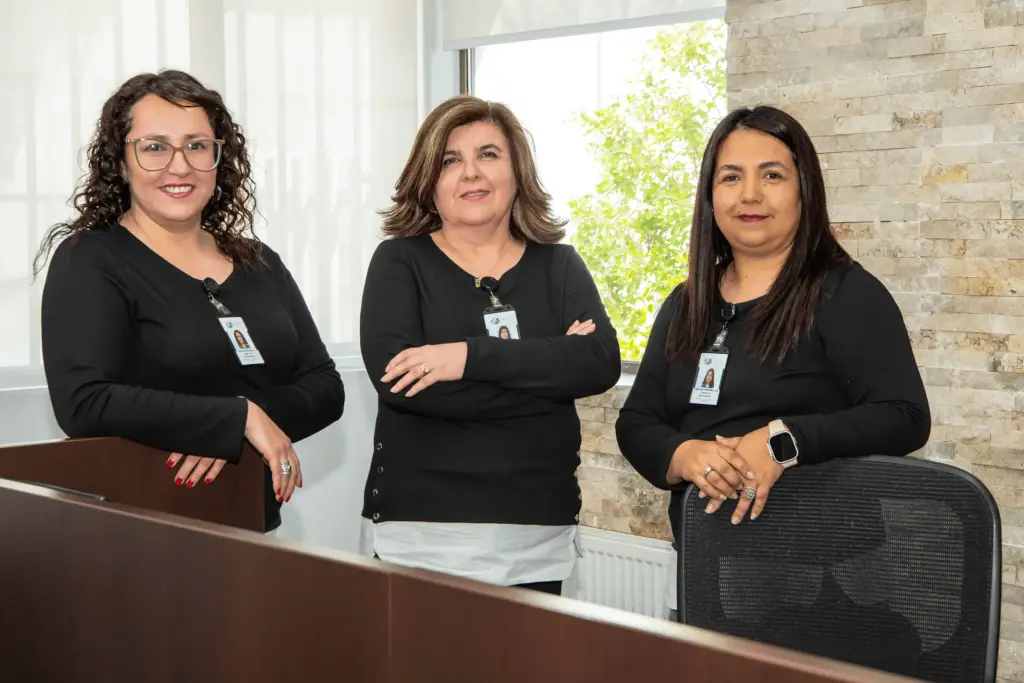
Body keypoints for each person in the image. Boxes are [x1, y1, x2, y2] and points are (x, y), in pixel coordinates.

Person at [614, 105, 930, 617]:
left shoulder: (845, 293)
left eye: (772, 175)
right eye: (731, 177)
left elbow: (905, 416)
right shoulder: (686, 303)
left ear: (805, 190)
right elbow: (637, 421)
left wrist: (783, 442)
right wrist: (683, 454)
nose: (750, 194)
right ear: (710, 195)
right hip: (705, 566)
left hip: (826, 583)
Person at [36, 69, 345, 533]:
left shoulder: (260, 262)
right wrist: (234, 419)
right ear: (120, 162)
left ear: (219, 158)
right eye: (154, 147)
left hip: (254, 522)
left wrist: (237, 427)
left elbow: (325, 386)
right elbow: (83, 402)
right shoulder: (90, 259)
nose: (179, 167)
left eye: (197, 146)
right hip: (142, 535)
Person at [358, 94, 621, 593]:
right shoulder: (399, 262)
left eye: (488, 154)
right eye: (450, 160)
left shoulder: (560, 264)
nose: (471, 172)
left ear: (517, 170)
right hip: (422, 535)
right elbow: (400, 383)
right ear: (429, 181)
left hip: (538, 536)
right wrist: (548, 376)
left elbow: (598, 361)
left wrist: (464, 357)